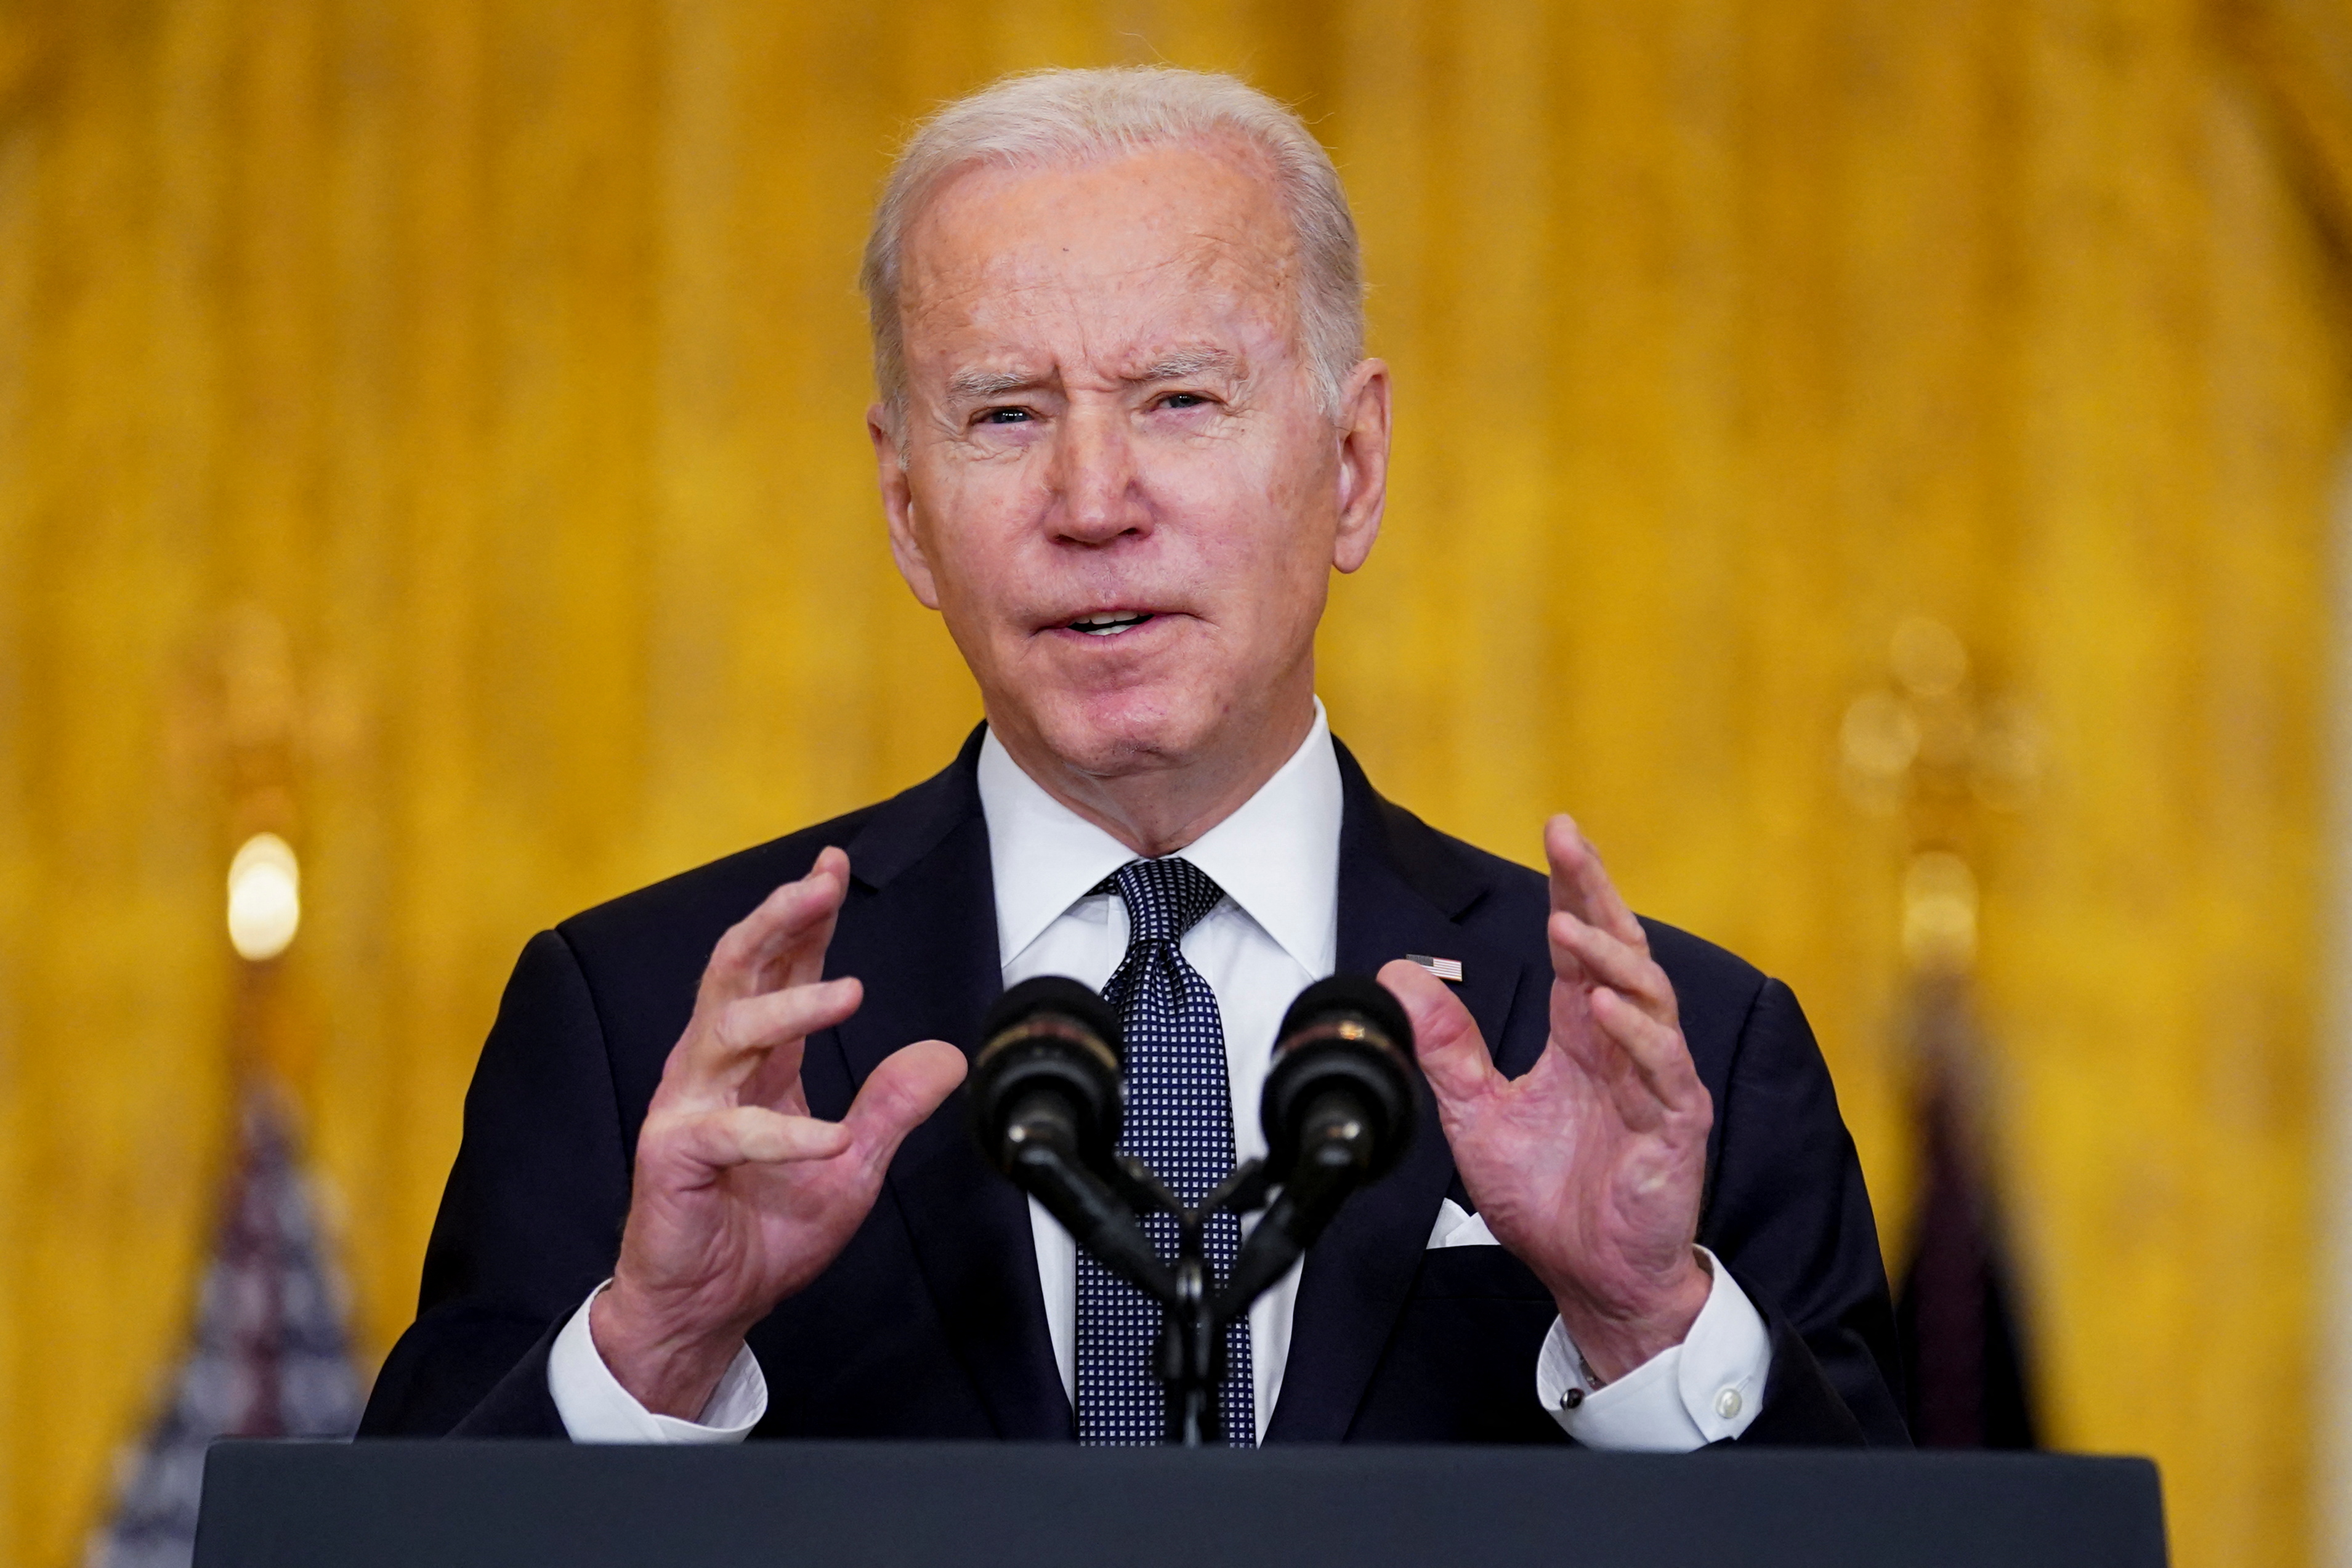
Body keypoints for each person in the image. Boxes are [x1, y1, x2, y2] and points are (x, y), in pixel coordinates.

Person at [359, 65, 1903, 1449]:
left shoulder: (1680, 1052)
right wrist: (653, 1350)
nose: (1093, 499)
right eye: (1006, 414)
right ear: (906, 509)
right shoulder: (643, 1031)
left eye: (1178, 399)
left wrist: (1645, 1323)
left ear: (1351, 466)